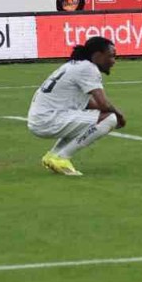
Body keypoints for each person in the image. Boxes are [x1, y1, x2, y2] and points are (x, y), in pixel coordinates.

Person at [27, 36, 125, 177]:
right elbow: (103, 104)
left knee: (89, 121)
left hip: (41, 118)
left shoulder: (74, 65)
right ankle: (62, 158)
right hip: (49, 120)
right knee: (110, 118)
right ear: (97, 55)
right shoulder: (88, 68)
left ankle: (52, 156)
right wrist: (119, 115)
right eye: (111, 56)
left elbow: (89, 103)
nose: (113, 61)